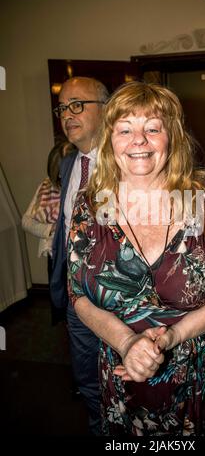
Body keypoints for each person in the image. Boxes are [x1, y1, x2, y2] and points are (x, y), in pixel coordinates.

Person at [67, 81, 205, 435]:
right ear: (110, 140)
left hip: (197, 378)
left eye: (152, 128)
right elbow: (77, 293)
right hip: (123, 377)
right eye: (125, 129)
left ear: (172, 136)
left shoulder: (202, 195)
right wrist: (126, 342)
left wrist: (172, 335)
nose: (138, 140)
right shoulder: (93, 205)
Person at [50, 76, 109, 435]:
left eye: (77, 105)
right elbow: (64, 227)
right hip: (77, 295)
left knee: (125, 375)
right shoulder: (69, 165)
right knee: (86, 374)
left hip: (120, 299)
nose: (67, 115)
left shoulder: (129, 161)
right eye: (62, 108)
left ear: (105, 110)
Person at [22, 140, 75, 324]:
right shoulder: (46, 187)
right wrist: (52, 228)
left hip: (80, 258)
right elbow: (26, 221)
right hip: (56, 256)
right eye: (58, 175)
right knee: (61, 307)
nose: (61, 179)